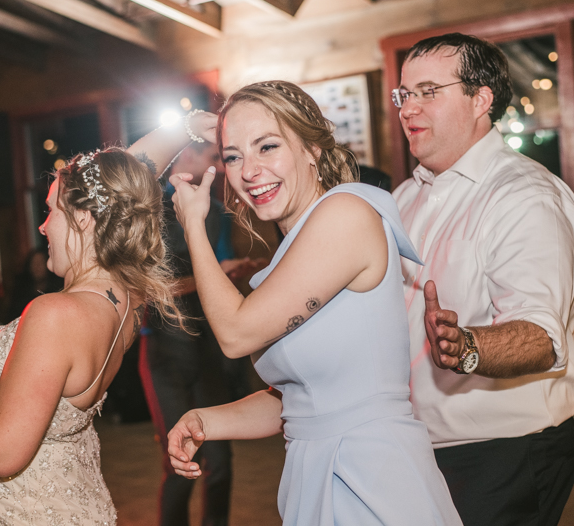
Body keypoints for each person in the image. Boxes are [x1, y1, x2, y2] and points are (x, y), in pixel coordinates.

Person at [0, 114, 217, 525]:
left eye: (50, 212)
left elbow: (2, 454)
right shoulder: (126, 301)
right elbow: (117, 188)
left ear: (84, 217)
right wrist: (183, 129)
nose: (43, 226)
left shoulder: (55, 313)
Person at [165, 81, 461, 525]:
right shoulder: (300, 244)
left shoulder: (346, 215)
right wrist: (205, 421)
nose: (248, 171)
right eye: (233, 156)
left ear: (312, 149)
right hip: (316, 470)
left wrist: (193, 224)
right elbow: (303, 401)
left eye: (267, 147)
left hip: (369, 474)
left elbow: (235, 333)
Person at [390, 33, 574, 526]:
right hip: (415, 446)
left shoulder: (525, 196)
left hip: (502, 456)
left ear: (480, 99)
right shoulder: (402, 197)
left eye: (428, 91)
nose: (408, 108)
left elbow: (542, 336)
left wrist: (468, 346)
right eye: (404, 94)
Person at [139, 142, 261, 526]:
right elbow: (151, 289)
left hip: (208, 346)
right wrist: (212, 277)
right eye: (213, 157)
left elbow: (213, 267)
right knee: (180, 460)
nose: (220, 167)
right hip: (164, 349)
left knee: (221, 462)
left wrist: (230, 270)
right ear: (185, 156)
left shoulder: (216, 210)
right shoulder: (153, 213)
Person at [5, 247, 63, 322]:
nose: (37, 267)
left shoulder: (57, 290)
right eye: (34, 263)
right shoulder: (21, 292)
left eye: (41, 263)